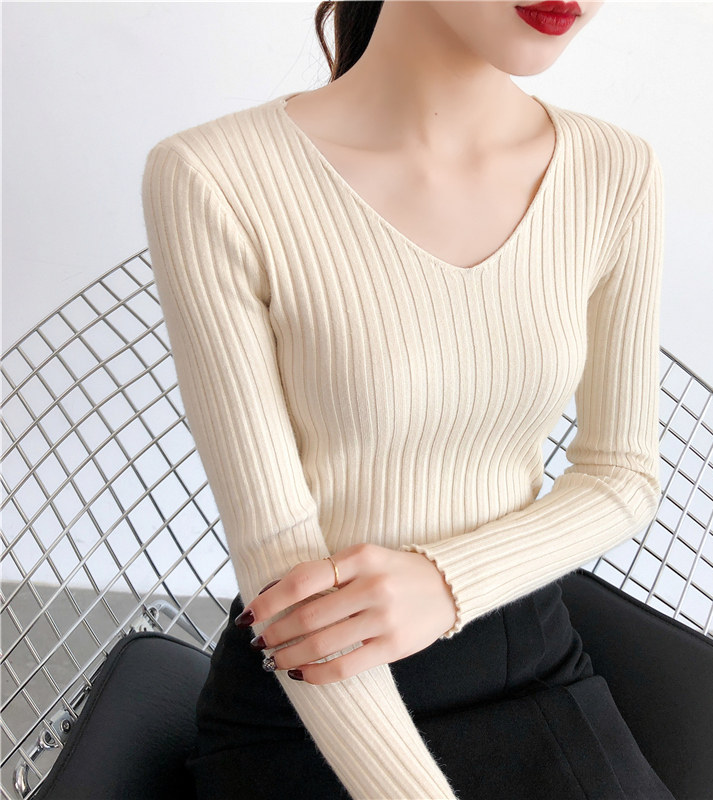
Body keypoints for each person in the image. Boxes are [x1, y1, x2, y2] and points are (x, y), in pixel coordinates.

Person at [141, 1, 676, 798]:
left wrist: (447, 582)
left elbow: (621, 474)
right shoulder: (213, 177)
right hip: (315, 696)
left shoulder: (616, 171)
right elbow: (279, 555)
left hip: (529, 665)